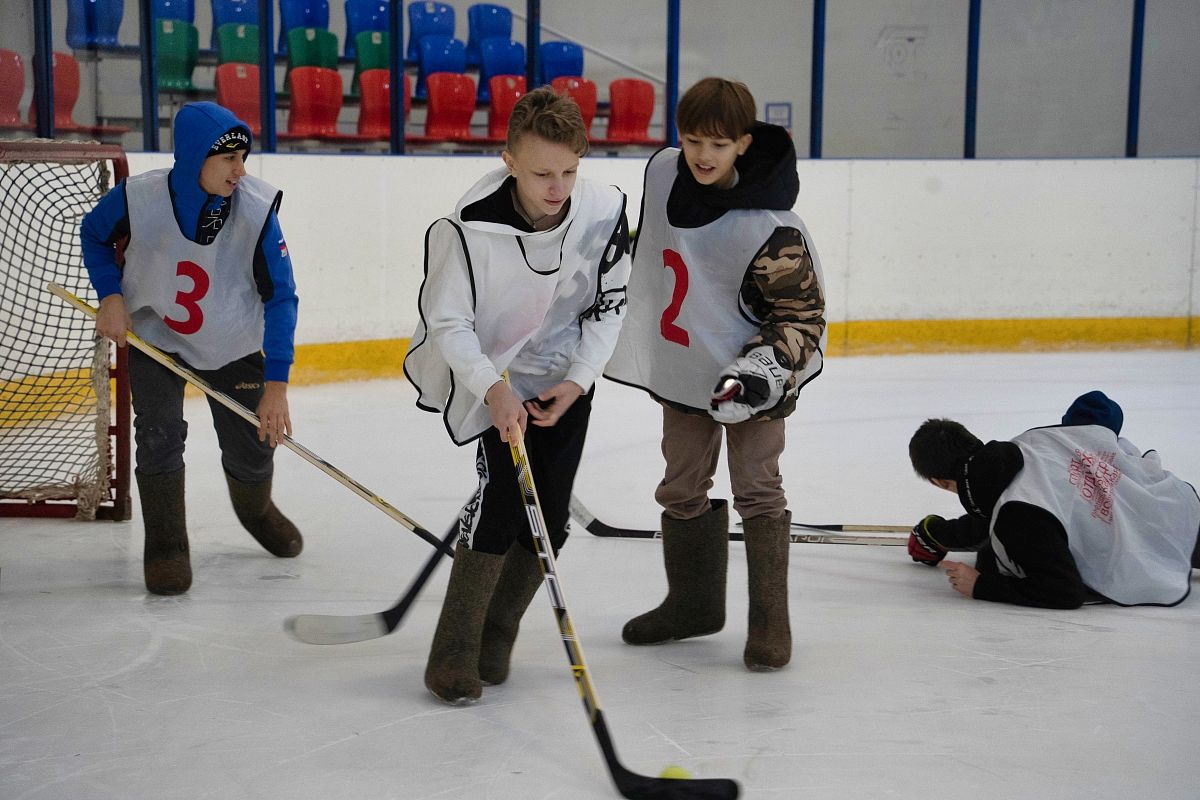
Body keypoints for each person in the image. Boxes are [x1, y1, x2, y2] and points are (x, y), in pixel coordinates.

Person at [404, 86, 632, 704]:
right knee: (502, 507)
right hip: (494, 373)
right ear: (508, 160)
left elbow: (612, 303)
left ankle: (497, 633)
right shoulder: (468, 227)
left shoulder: (604, 210)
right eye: (540, 174)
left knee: (551, 518)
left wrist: (579, 380)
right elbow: (449, 323)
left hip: (563, 377)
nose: (557, 187)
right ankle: (452, 653)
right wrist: (492, 389)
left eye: (568, 171)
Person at [603, 77, 827, 671]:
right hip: (683, 374)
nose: (702, 155)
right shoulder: (662, 172)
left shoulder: (773, 228)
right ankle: (692, 606)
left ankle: (769, 623)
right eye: (693, 140)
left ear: (744, 145)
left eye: (720, 145)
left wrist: (758, 372)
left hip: (753, 384)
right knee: (680, 487)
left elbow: (802, 318)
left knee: (757, 488)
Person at [81, 101, 302, 596]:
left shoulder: (257, 211)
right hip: (157, 337)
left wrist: (277, 383)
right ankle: (166, 545)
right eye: (229, 159)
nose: (240, 170)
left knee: (253, 445)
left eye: (244, 157)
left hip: (234, 342)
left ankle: (256, 511)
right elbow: (94, 234)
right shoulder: (139, 197)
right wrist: (111, 296)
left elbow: (282, 296)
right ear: (194, 156)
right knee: (158, 434)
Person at [906, 391, 1200, 608]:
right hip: (1171, 505)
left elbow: (1063, 590)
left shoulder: (1014, 515)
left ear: (941, 482)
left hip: (1145, 545)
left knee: (992, 560)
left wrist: (981, 585)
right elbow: (996, 516)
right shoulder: (1032, 442)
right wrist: (938, 534)